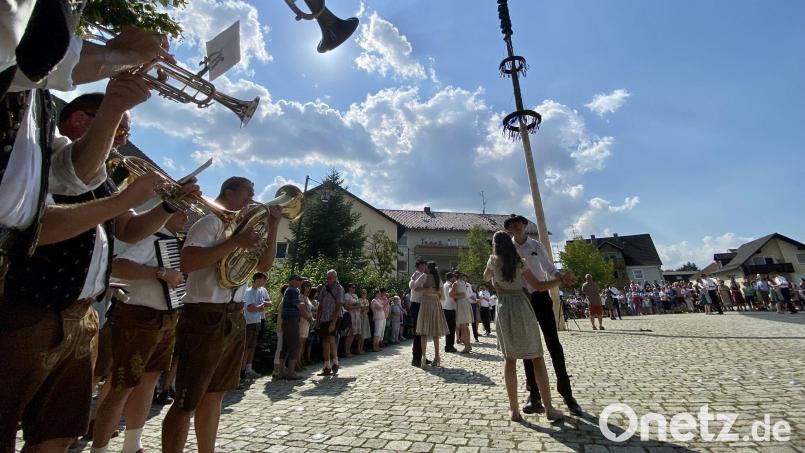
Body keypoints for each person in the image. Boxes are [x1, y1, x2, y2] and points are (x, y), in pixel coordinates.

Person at [161, 177, 282, 453]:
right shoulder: (210, 223)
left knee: (215, 395)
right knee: (187, 399)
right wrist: (234, 243)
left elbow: (264, 265)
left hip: (233, 315)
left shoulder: (245, 228)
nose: (253, 198)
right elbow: (188, 262)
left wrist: (273, 227)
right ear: (228, 192)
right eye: (247, 192)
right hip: (204, 313)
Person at [89, 211, 187, 453]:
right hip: (139, 317)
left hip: (165, 318)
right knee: (122, 385)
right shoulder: (151, 237)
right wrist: (160, 273)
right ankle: (99, 448)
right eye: (183, 210)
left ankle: (132, 445)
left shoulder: (174, 242)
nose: (187, 216)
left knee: (148, 383)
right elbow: (118, 266)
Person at [504, 215, 582, 416]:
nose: (517, 227)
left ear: (524, 226)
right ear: (510, 230)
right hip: (522, 301)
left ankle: (566, 393)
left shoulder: (536, 245)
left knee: (554, 345)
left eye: (519, 223)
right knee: (527, 349)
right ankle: (534, 395)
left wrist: (560, 276)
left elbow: (549, 267)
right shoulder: (508, 250)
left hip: (540, 297)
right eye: (513, 225)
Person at [484, 231, 564, 422]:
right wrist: (559, 279)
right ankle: (550, 408)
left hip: (504, 307)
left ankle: (514, 410)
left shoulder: (493, 261)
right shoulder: (519, 262)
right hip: (522, 305)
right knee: (537, 357)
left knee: (509, 359)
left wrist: (496, 283)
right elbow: (538, 285)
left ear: (495, 245)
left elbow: (486, 277)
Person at [414, 262, 449, 369]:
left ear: (428, 268)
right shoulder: (438, 279)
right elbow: (443, 297)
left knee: (423, 332)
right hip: (436, 303)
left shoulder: (423, 276)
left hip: (425, 302)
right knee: (435, 332)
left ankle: (423, 357)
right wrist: (435, 292)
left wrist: (426, 290)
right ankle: (437, 357)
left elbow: (415, 288)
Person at [279, 275, 311, 380]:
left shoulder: (289, 289)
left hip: (286, 321)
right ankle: (291, 372)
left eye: (300, 280)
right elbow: (299, 306)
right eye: (298, 280)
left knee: (285, 347)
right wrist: (310, 318)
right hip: (291, 321)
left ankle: (281, 371)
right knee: (294, 346)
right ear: (292, 280)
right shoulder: (293, 290)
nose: (300, 282)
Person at [242, 272, 270, 380]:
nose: (265, 282)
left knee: (252, 347)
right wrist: (261, 306)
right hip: (249, 322)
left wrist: (260, 307)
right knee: (246, 348)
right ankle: (242, 372)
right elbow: (250, 308)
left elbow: (267, 303)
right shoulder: (249, 292)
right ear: (258, 279)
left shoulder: (261, 291)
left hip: (257, 321)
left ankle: (247, 369)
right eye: (264, 280)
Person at [316, 270, 344, 376]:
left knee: (330, 338)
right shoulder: (324, 288)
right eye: (328, 278)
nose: (329, 280)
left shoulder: (339, 288)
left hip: (334, 318)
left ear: (335, 277)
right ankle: (327, 365)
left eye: (331, 278)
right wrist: (318, 320)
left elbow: (339, 306)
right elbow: (320, 305)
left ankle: (335, 362)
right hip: (324, 318)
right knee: (325, 341)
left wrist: (333, 322)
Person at [408, 258, 430, 367]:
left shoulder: (421, 275)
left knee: (422, 331)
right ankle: (416, 358)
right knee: (418, 331)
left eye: (425, 265)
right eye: (423, 265)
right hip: (417, 304)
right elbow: (413, 287)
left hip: (421, 304)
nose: (425, 267)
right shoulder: (418, 274)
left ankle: (421, 356)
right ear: (419, 266)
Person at [451, 271, 474, 354]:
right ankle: (468, 345)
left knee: (463, 327)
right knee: (465, 327)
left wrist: (457, 296)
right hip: (466, 303)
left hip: (461, 304)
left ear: (454, 276)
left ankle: (467, 346)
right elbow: (464, 294)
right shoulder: (463, 283)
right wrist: (460, 295)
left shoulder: (455, 284)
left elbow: (450, 295)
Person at [297, 280, 315, 367]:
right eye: (306, 286)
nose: (308, 288)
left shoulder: (307, 298)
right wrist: (310, 318)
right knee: (300, 342)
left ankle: (300, 360)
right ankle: (297, 363)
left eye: (309, 286)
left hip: (308, 322)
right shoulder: (300, 297)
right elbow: (302, 311)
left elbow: (311, 309)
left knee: (303, 342)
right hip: (303, 321)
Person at [343, 283, 362, 357]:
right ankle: (346, 352)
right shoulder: (346, 295)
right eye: (352, 287)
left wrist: (355, 306)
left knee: (354, 334)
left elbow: (359, 305)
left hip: (356, 316)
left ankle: (349, 350)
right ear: (349, 288)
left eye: (355, 287)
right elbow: (346, 306)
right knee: (349, 334)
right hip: (350, 316)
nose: (354, 289)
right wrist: (355, 306)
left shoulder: (356, 295)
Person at [441, 272, 458, 353]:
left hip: (445, 308)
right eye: (454, 277)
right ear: (451, 278)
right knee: (451, 329)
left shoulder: (444, 285)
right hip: (450, 308)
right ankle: (449, 346)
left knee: (449, 329)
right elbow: (451, 296)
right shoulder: (450, 285)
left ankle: (449, 346)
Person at [358, 288, 371, 354]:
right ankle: (358, 349)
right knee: (360, 333)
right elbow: (360, 308)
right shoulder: (359, 300)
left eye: (365, 293)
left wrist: (364, 308)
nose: (364, 294)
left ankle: (361, 348)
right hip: (360, 317)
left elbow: (367, 309)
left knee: (364, 333)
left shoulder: (367, 300)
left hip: (365, 317)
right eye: (363, 293)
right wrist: (364, 308)